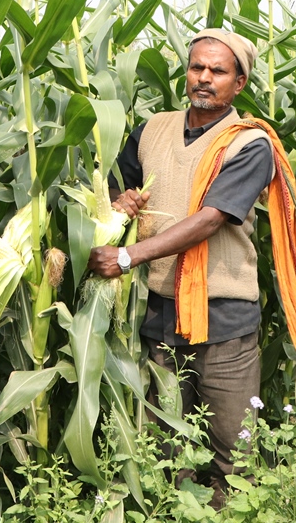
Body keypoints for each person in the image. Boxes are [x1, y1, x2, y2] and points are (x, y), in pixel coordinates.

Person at [87, 28, 273, 505]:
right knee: (164, 451)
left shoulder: (249, 144)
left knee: (234, 457)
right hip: (159, 317)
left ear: (240, 83)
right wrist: (119, 201)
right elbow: (113, 184)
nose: (204, 78)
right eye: (197, 67)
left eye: (218, 71)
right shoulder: (152, 128)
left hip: (224, 320)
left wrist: (129, 256)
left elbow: (211, 217)